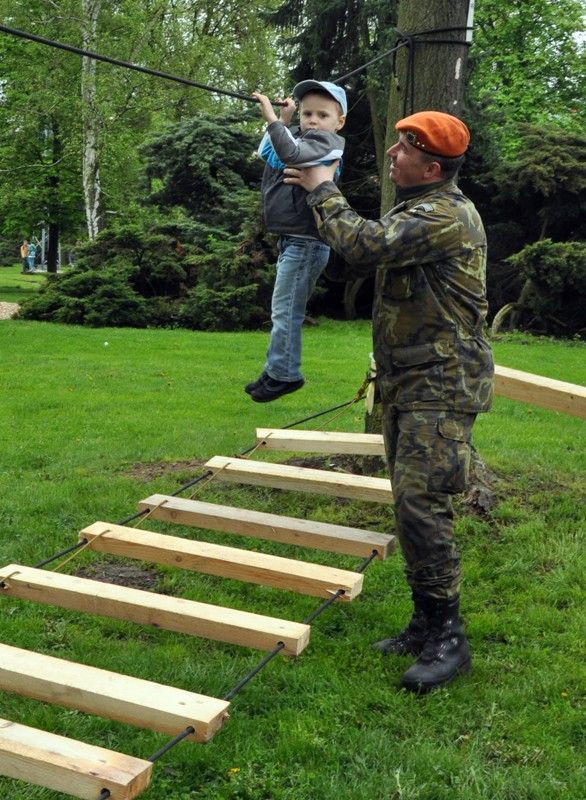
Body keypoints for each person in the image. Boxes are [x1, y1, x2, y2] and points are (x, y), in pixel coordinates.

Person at [284, 111, 494, 692]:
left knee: (424, 504)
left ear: (432, 167)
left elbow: (361, 244)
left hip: (442, 383)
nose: (392, 156)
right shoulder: (415, 208)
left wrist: (322, 185)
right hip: (410, 380)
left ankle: (449, 637)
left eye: (405, 151)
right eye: (396, 145)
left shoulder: (445, 215)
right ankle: (424, 622)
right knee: (409, 503)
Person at [245, 80, 347, 403]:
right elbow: (269, 153)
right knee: (282, 308)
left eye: (322, 115)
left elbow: (289, 151)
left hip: (307, 243)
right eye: (307, 114)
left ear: (339, 122)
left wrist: (273, 120)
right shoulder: (303, 140)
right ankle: (276, 368)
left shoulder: (328, 145)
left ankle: (285, 374)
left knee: (286, 310)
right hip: (293, 241)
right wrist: (284, 123)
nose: (313, 121)